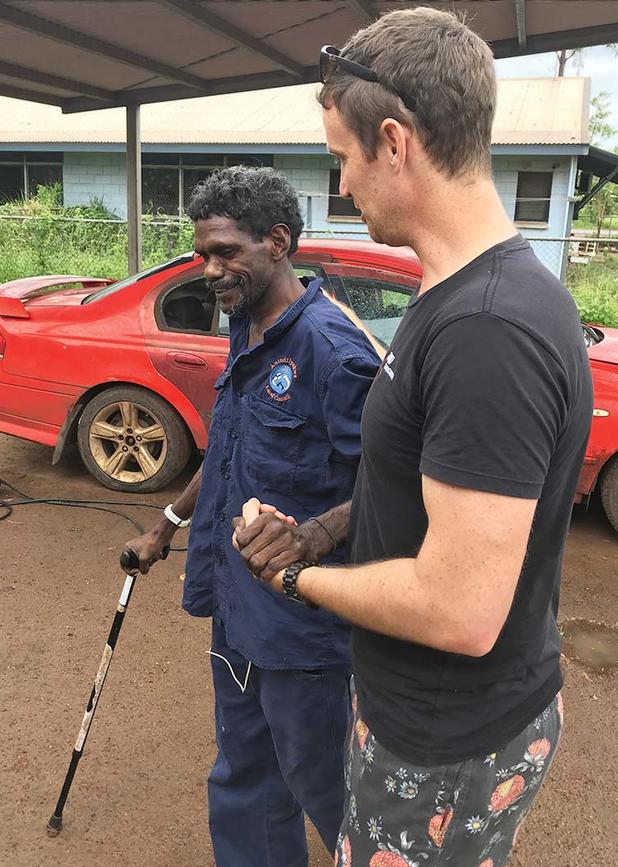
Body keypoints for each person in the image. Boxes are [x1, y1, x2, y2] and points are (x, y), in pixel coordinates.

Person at [233, 8, 593, 866]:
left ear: (394, 143)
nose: (344, 187)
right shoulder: (458, 292)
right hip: (430, 711)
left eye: (343, 161)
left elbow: (458, 609)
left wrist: (298, 573)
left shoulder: (486, 330)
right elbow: (419, 487)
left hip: (445, 736)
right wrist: (325, 526)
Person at [123, 165, 381, 867]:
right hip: (236, 608)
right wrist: (167, 525)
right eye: (203, 252)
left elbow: (397, 486)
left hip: (304, 635)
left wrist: (315, 534)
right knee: (244, 776)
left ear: (277, 241)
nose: (210, 268)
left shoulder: (333, 351)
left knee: (328, 785)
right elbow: (231, 450)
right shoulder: (245, 324)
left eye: (225, 251)